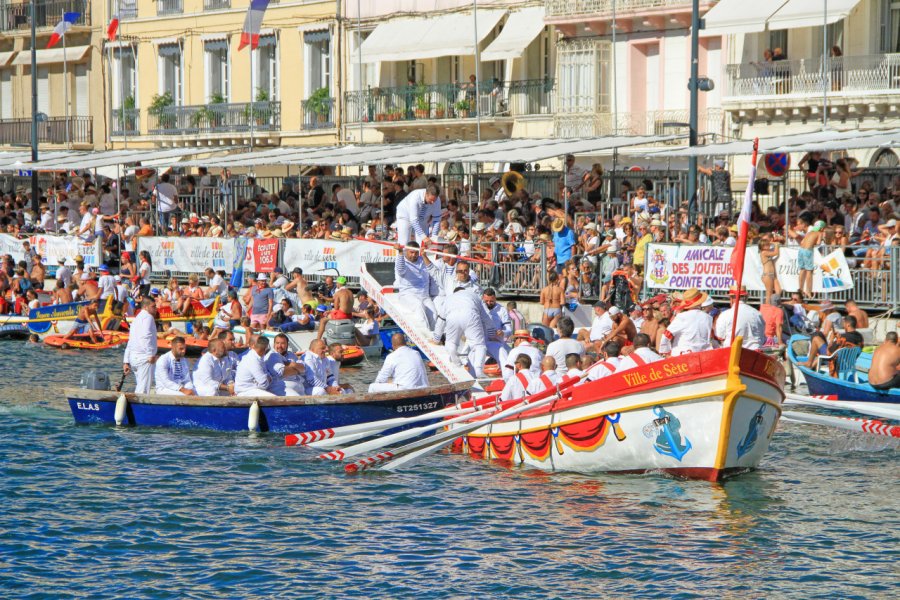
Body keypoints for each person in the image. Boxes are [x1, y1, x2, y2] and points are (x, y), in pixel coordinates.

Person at [444, 286, 492, 377]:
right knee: (479, 346)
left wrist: (436, 337)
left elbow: (441, 319)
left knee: (451, 343)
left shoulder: (449, 299)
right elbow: (486, 316)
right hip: (472, 319)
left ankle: (456, 362)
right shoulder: (474, 296)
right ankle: (478, 370)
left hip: (453, 319)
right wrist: (492, 332)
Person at [658, 288, 713, 356]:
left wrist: (665, 351)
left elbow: (667, 334)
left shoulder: (682, 316)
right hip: (702, 355)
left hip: (682, 356)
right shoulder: (708, 318)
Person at [394, 241, 436, 329]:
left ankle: (436, 338)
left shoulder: (422, 260)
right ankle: (425, 338)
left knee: (435, 315)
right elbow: (400, 270)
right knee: (419, 309)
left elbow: (433, 270)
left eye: (416, 252)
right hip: (409, 295)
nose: (414, 255)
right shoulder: (402, 260)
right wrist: (400, 252)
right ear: (406, 251)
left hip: (425, 296)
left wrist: (424, 255)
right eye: (411, 252)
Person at [123, 298, 159, 394]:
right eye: (153, 306)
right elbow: (146, 336)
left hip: (134, 358)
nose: (156, 308)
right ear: (145, 307)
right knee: (143, 390)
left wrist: (126, 361)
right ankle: (137, 408)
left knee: (141, 386)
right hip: (144, 358)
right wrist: (150, 354)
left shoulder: (136, 318)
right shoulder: (148, 317)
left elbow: (131, 340)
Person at [482, 288, 511, 368]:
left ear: (495, 298)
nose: (488, 303)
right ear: (482, 298)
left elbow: (509, 329)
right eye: (486, 301)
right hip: (481, 343)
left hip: (496, 343)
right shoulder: (479, 308)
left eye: (491, 301)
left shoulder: (502, 310)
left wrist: (503, 332)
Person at [798, 218, 824, 297]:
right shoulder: (819, 233)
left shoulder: (809, 232)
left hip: (801, 250)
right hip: (808, 251)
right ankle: (808, 291)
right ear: (822, 228)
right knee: (809, 271)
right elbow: (819, 243)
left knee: (802, 270)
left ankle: (800, 289)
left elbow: (802, 242)